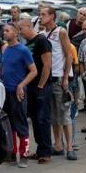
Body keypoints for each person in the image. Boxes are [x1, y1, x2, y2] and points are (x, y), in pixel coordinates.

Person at [39, 6, 76, 160]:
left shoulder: (61, 32)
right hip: (49, 78)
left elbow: (68, 55)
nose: (40, 17)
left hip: (59, 77)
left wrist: (66, 76)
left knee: (64, 113)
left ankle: (69, 147)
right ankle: (58, 145)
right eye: (40, 14)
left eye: (43, 14)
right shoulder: (42, 33)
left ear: (52, 16)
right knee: (53, 114)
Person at [0, 22, 35, 168]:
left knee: (21, 123)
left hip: (17, 92)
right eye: (4, 31)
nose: (4, 33)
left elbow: (33, 71)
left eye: (7, 31)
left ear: (15, 32)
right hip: (5, 91)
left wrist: (22, 85)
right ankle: (12, 153)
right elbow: (0, 70)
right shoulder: (4, 48)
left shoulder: (23, 50)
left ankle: (24, 154)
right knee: (9, 124)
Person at [17, 19, 53, 163]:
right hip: (30, 86)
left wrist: (41, 85)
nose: (19, 32)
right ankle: (40, 149)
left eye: (21, 29)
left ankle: (46, 152)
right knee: (35, 120)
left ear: (28, 27)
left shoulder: (41, 40)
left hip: (41, 86)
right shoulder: (28, 44)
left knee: (42, 119)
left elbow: (47, 65)